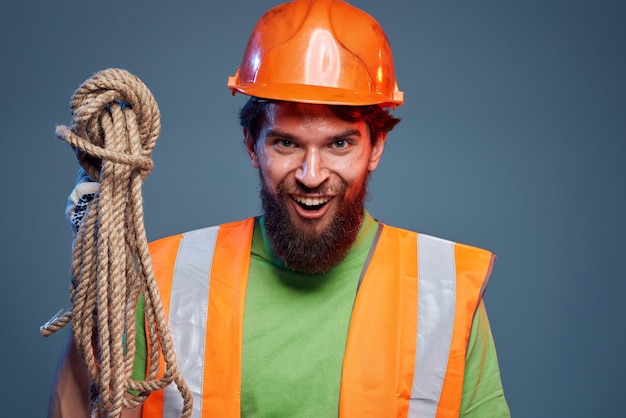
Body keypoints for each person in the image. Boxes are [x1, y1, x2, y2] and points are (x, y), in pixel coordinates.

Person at [48, 0, 510, 417]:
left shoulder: (443, 290)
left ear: (376, 147)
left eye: (339, 144)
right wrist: (96, 266)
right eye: (286, 143)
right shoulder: (163, 279)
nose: (312, 174)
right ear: (252, 144)